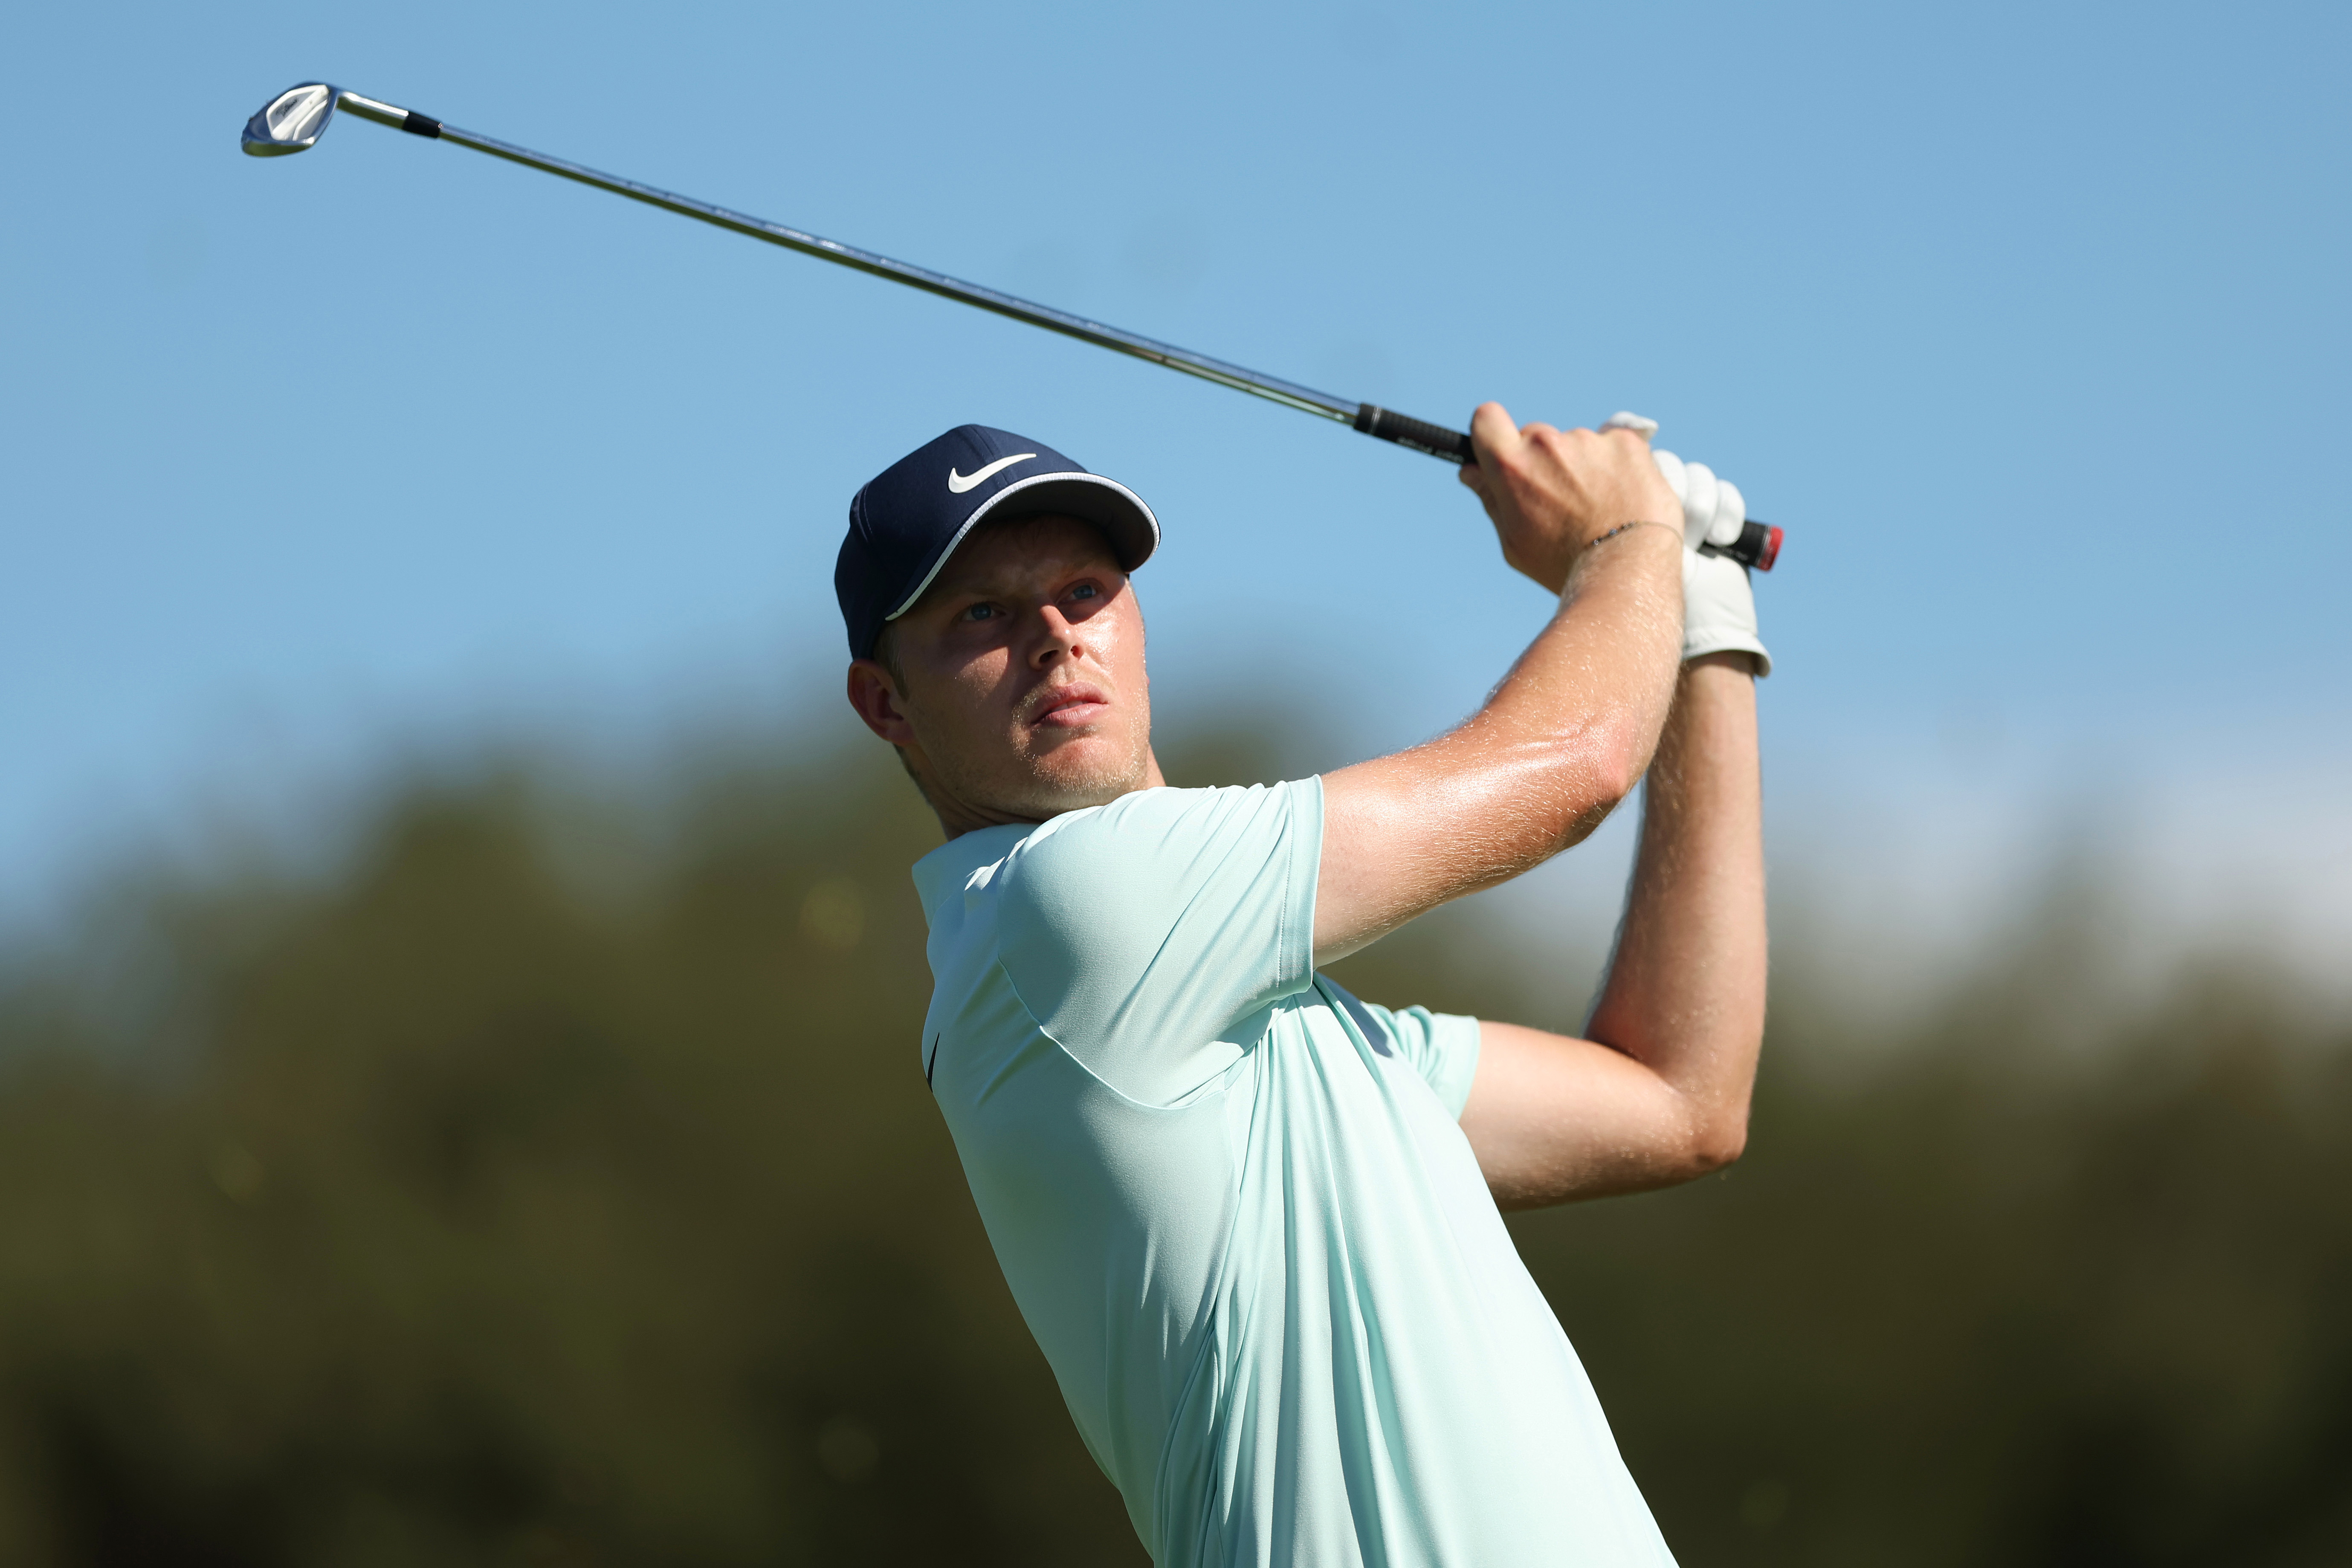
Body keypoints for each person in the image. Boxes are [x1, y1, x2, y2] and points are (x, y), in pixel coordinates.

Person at [837, 407, 1769, 1566]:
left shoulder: (1250, 1023)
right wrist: (1623, 536)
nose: (1054, 637)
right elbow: (1575, 764)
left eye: (1085, 592)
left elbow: (1678, 1099)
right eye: (980, 613)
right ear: (885, 705)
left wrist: (1703, 632)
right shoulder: (1063, 913)